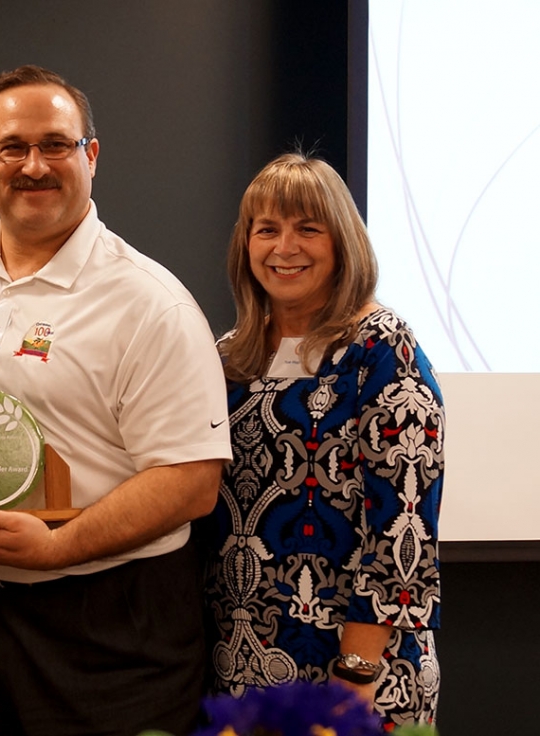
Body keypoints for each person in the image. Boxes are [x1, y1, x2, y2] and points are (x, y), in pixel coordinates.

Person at [0, 64, 232, 736]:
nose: (33, 165)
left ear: (91, 156)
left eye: (56, 144)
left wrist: (56, 550)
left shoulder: (151, 303)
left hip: (107, 628)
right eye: (12, 147)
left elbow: (189, 483)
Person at [196, 153, 444, 729]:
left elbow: (403, 529)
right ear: (246, 244)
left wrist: (356, 674)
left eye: (308, 228)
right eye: (267, 229)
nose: (285, 247)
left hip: (359, 675)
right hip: (241, 665)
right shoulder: (229, 356)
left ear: (343, 244)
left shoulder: (382, 350)